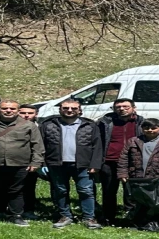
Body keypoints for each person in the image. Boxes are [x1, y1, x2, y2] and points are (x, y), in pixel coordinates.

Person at [39, 98, 103, 229]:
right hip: (56, 163)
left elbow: (97, 146)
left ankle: (89, 218)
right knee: (60, 191)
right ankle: (65, 216)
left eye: (73, 108)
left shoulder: (90, 125)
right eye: (66, 108)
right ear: (60, 109)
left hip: (83, 164)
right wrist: (43, 163)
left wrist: (95, 164)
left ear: (80, 110)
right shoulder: (48, 125)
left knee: (86, 191)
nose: (69, 110)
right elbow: (41, 145)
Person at [117, 118, 159, 224]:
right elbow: (123, 158)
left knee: (155, 201)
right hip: (136, 176)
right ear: (142, 129)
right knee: (136, 200)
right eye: (146, 128)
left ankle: (155, 222)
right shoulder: (133, 141)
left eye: (153, 128)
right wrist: (122, 173)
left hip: (157, 177)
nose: (150, 130)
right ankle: (136, 221)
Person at [97, 98, 144, 224]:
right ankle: (108, 217)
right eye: (118, 107)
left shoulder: (141, 122)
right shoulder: (105, 122)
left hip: (132, 161)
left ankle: (131, 217)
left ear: (134, 108)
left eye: (125, 106)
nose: (122, 109)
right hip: (109, 161)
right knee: (108, 191)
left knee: (131, 192)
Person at [18, 104, 43, 219]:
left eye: (30, 113)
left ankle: (28, 210)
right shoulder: (11, 126)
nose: (26, 115)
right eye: (23, 113)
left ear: (36, 114)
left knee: (29, 187)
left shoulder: (42, 127)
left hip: (34, 162)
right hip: (16, 161)